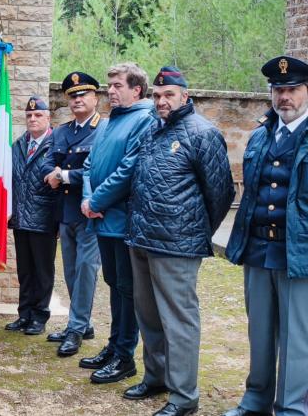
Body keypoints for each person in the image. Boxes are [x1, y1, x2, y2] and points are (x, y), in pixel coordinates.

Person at [122, 67, 234, 416]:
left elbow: (221, 192)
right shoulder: (154, 129)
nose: (161, 101)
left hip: (177, 246)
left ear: (185, 96)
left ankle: (184, 397)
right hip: (142, 238)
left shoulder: (203, 133)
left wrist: (194, 231)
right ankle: (156, 377)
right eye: (156, 95)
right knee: (149, 316)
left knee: (179, 322)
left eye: (169, 94)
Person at [222, 56, 308, 416]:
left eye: (291, 90)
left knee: (295, 338)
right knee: (259, 330)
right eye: (278, 90)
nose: (283, 97)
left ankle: (290, 407)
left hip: (298, 251)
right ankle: (256, 399)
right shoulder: (259, 136)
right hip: (258, 247)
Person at [81, 62, 154, 384]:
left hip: (123, 220)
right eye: (109, 85)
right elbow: (88, 164)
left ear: (136, 89)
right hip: (101, 219)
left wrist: (95, 202)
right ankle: (113, 346)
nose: (109, 91)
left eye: (117, 85)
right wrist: (88, 200)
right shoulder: (110, 122)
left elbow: (128, 170)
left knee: (127, 289)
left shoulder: (143, 120)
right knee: (113, 284)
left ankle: (125, 356)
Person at [43, 72, 103, 357]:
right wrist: (52, 174)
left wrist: (64, 175)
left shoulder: (103, 130)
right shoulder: (62, 131)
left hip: (91, 212)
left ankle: (76, 328)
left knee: (85, 271)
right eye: (72, 96)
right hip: (65, 212)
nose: (77, 99)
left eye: (83, 94)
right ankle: (84, 322)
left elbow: (101, 171)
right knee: (69, 271)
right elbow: (46, 161)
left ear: (95, 97)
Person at [6, 96, 57, 336]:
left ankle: (39, 315)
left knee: (42, 271)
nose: (33, 119)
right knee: (24, 271)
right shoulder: (18, 145)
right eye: (29, 115)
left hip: (44, 219)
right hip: (21, 218)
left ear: (48, 118)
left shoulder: (55, 144)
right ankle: (24, 314)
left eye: (38, 115)